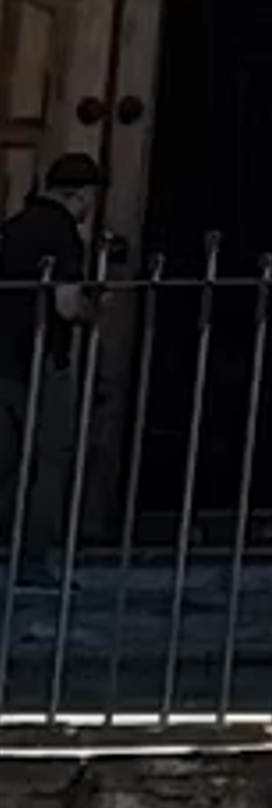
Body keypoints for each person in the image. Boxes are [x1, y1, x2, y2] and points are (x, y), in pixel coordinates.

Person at [0, 156, 102, 549]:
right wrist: (94, 312)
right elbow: (66, 304)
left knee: (6, 453)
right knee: (49, 457)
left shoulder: (13, 227)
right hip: (36, 356)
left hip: (4, 356)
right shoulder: (61, 233)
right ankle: (34, 555)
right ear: (80, 195)